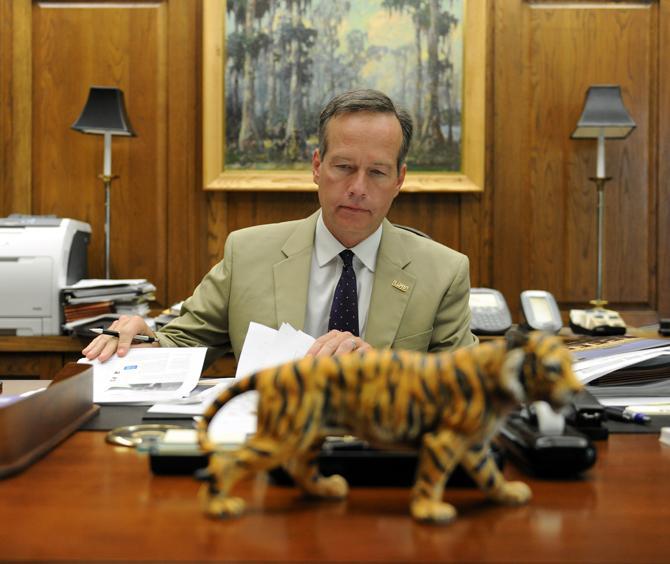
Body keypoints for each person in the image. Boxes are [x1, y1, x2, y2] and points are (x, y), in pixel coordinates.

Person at [83, 89, 477, 364]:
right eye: (343, 167)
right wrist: (141, 338)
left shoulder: (442, 272)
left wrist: (382, 373)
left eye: (377, 172)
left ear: (399, 180)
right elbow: (181, 341)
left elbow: (466, 381)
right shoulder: (248, 253)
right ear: (317, 166)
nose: (358, 188)